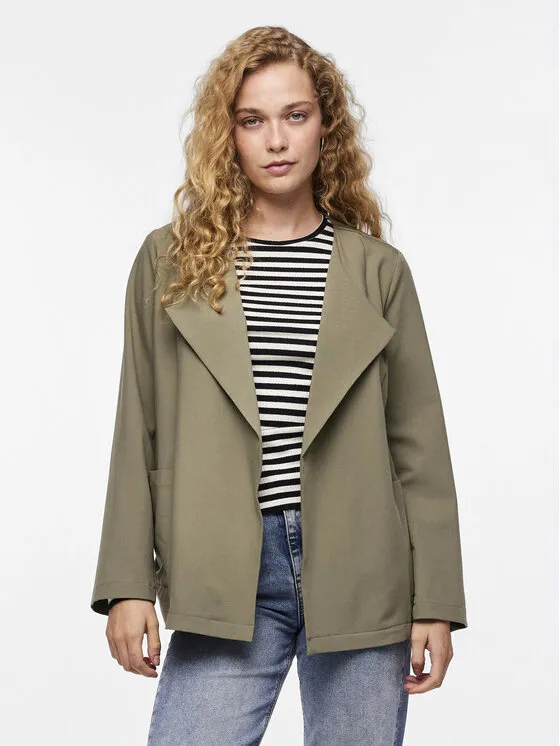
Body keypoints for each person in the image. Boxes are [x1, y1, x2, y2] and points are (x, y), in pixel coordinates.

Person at [91, 25, 468, 745]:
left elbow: (419, 448)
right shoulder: (170, 261)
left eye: (295, 115)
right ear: (226, 135)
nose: (276, 140)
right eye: (251, 120)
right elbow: (136, 426)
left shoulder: (377, 270)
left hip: (361, 564)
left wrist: (436, 602)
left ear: (326, 125)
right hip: (222, 564)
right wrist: (127, 585)